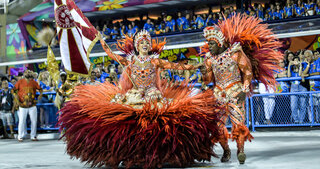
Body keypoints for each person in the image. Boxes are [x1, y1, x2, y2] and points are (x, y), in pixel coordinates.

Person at [59, 30, 223, 168]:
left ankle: (159, 153)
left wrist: (194, 66)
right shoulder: (130, 60)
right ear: (137, 46)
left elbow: (176, 66)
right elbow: (112, 55)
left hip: (152, 94)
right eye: (142, 43)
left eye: (147, 42)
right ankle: (131, 152)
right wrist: (102, 41)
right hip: (134, 94)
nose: (145, 45)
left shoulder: (154, 60)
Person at [200, 15, 282, 164]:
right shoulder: (209, 59)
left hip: (236, 93)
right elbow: (208, 81)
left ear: (219, 43)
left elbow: (248, 72)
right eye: (209, 43)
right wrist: (204, 73)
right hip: (218, 95)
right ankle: (226, 150)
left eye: (211, 43)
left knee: (238, 125)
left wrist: (245, 90)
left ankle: (241, 150)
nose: (209, 46)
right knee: (218, 127)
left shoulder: (235, 53)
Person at [12, 70, 43, 142]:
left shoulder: (34, 82)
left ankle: (33, 136)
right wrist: (16, 96)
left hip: (32, 105)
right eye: (26, 72)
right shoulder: (20, 82)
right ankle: (20, 136)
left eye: (29, 72)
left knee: (34, 121)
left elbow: (40, 89)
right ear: (24, 74)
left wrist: (40, 95)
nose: (28, 73)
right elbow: (13, 90)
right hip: (22, 105)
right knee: (22, 121)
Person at [288, 56, 308, 124]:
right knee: (293, 105)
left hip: (302, 87)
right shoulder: (291, 68)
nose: (296, 62)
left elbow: (300, 75)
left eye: (297, 60)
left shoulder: (303, 66)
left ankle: (301, 120)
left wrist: (300, 66)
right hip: (293, 87)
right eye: (294, 61)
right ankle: (296, 120)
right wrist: (289, 66)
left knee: (303, 105)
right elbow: (288, 76)